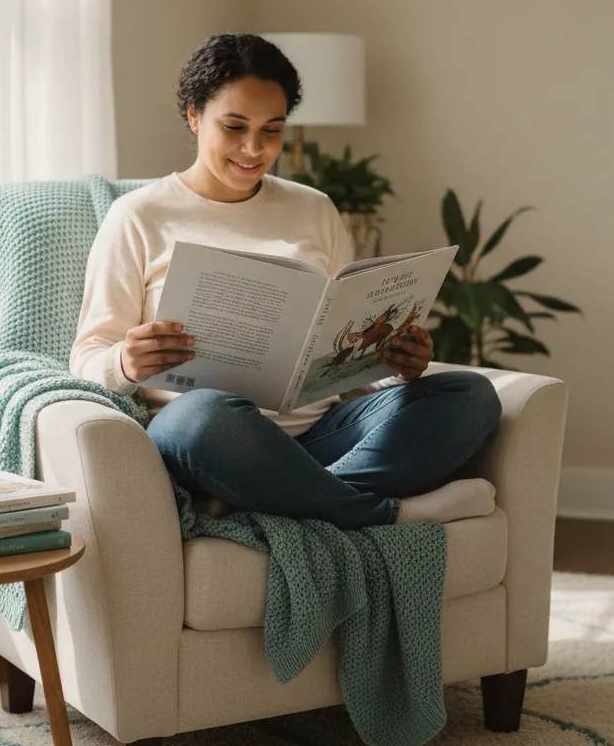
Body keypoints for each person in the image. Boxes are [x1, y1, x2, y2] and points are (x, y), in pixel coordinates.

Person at [70, 33, 501, 528]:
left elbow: (345, 360)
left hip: (321, 434)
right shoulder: (138, 216)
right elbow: (86, 358)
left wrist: (392, 364)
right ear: (194, 116)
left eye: (271, 131)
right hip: (215, 437)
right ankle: (385, 513)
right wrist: (126, 361)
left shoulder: (313, 208)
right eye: (234, 127)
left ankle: (278, 497)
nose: (253, 149)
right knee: (201, 415)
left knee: (470, 396)